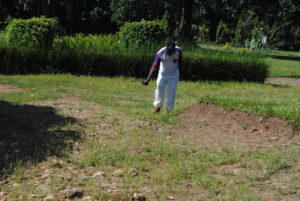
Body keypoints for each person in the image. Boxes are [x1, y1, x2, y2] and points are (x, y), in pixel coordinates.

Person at [142, 40, 183, 113]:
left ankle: (169, 110)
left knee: (171, 91)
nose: (170, 53)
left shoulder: (178, 51)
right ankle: (157, 108)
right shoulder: (160, 52)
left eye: (171, 51)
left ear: (174, 49)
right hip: (163, 73)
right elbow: (154, 67)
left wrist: (181, 73)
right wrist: (148, 79)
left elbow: (181, 62)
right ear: (166, 47)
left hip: (174, 73)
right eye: (168, 51)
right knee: (159, 88)